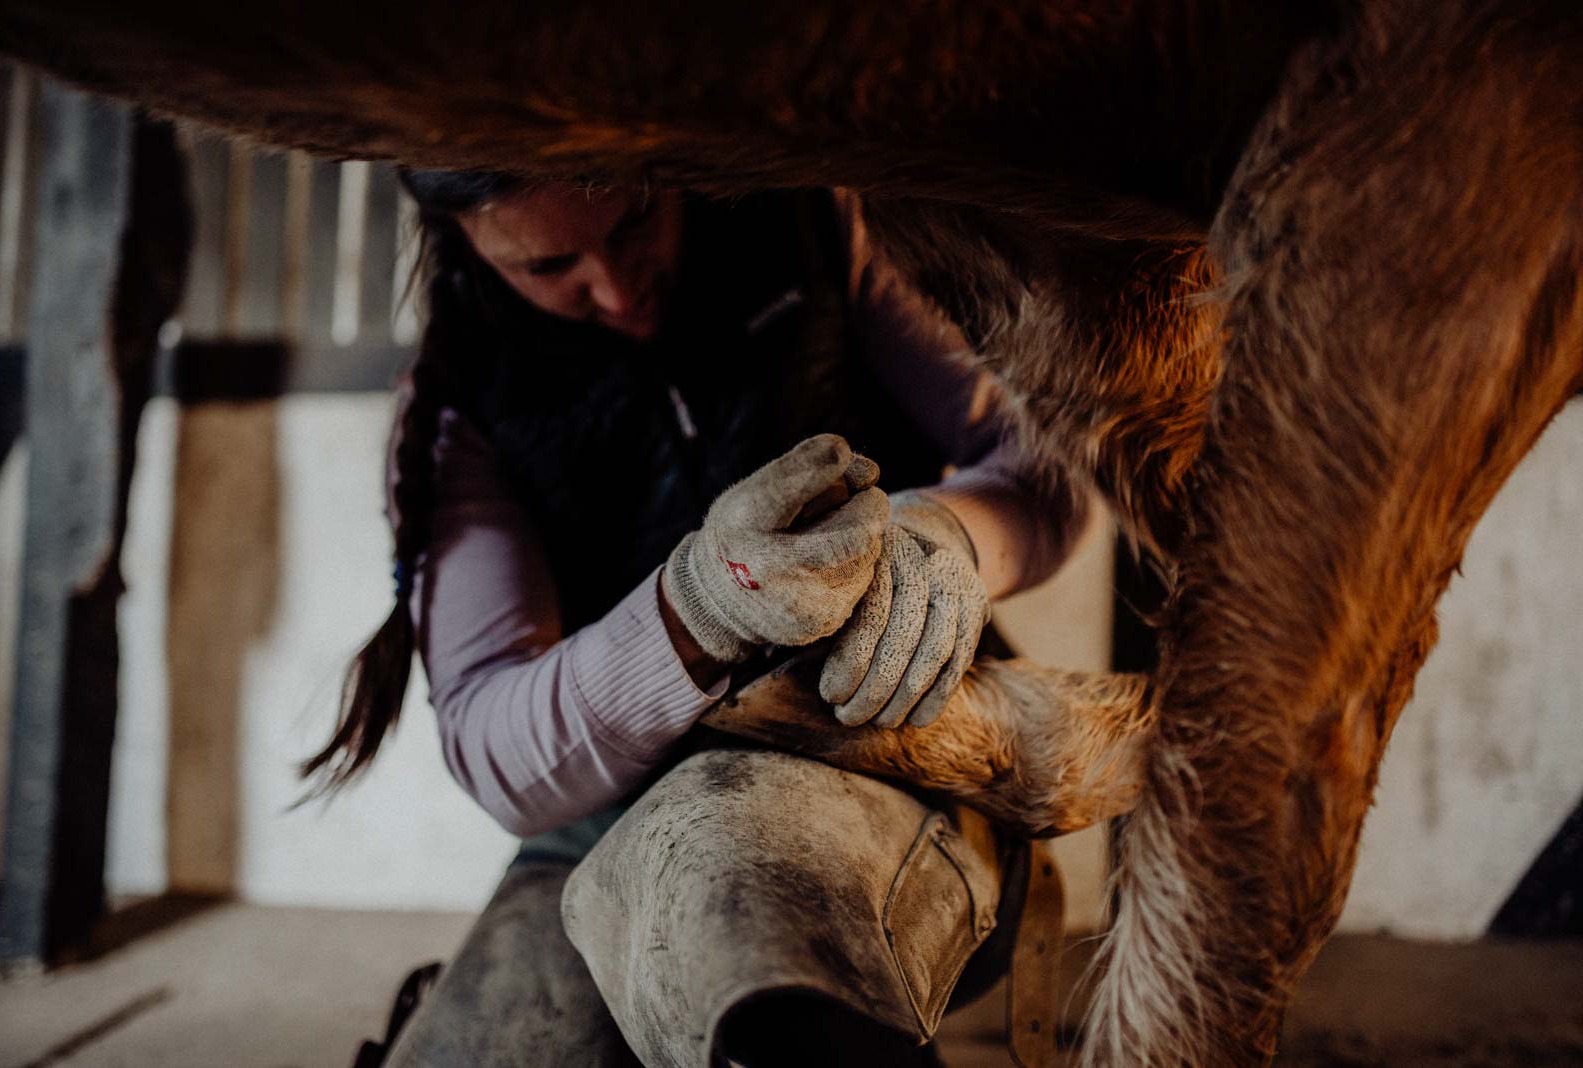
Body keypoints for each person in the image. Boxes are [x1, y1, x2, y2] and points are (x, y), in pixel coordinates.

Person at [310, 171, 1088, 1067]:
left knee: (749, 939)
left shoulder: (816, 224)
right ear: (464, 236)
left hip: (877, 738)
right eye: (550, 264)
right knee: (498, 1040)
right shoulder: (461, 401)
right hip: (607, 808)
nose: (615, 287)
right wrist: (696, 613)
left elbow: (1046, 453)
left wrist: (953, 532)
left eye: (636, 218)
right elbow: (496, 742)